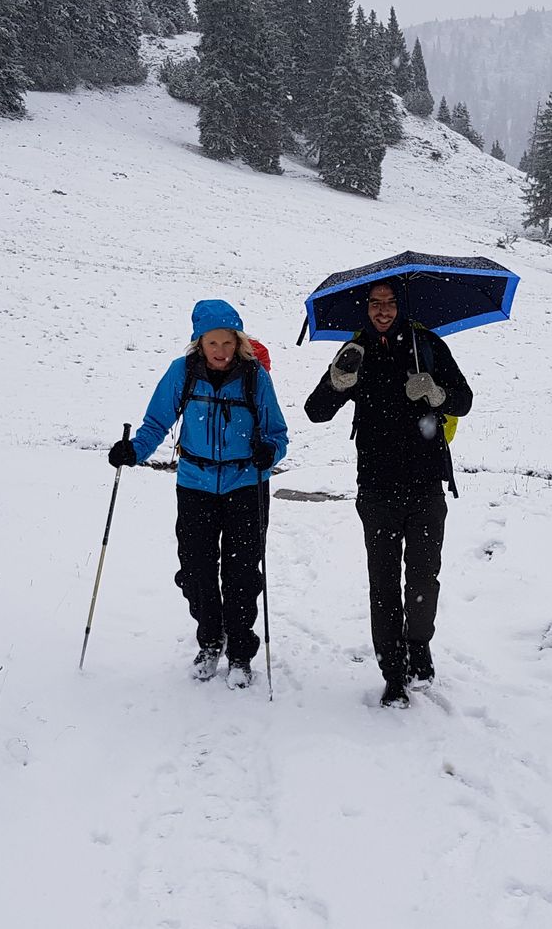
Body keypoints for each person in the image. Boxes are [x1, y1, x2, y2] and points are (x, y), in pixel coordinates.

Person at [304, 282, 473, 707]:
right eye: (375, 304)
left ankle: (419, 646)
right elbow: (316, 412)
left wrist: (437, 393)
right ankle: (392, 671)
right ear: (366, 309)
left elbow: (464, 400)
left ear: (403, 305)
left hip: (426, 485)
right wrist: (338, 381)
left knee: (422, 577)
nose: (382, 311)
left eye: (390, 303)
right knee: (382, 584)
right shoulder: (356, 351)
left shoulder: (428, 344)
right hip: (377, 488)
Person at [110, 300, 288, 688]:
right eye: (212, 343)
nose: (221, 351)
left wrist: (269, 452)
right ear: (199, 343)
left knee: (241, 575)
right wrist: (135, 451)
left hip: (246, 484)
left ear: (238, 342)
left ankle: (240, 652)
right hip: (195, 484)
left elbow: (278, 433)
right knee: (196, 571)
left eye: (227, 342)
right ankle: (211, 639)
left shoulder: (255, 377)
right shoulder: (182, 373)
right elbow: (157, 421)